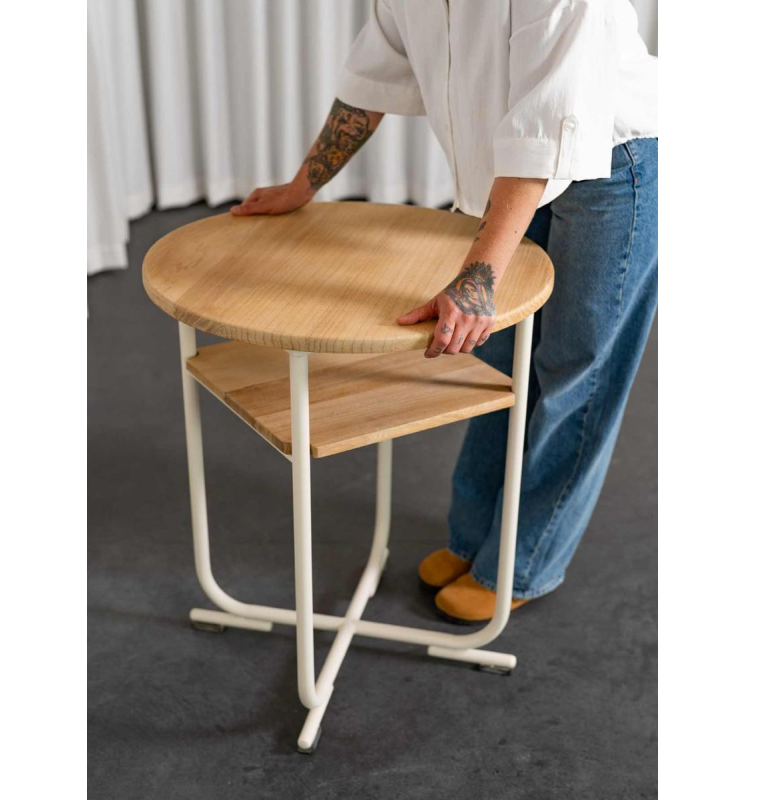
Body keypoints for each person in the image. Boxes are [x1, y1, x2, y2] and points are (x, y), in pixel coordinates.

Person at [231, 0, 658, 624]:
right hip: (513, 174)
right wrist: (305, 184)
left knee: (577, 373)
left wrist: (476, 276)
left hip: (616, 160)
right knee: (500, 363)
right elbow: (372, 78)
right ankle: (472, 538)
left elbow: (549, 123)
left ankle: (524, 561)